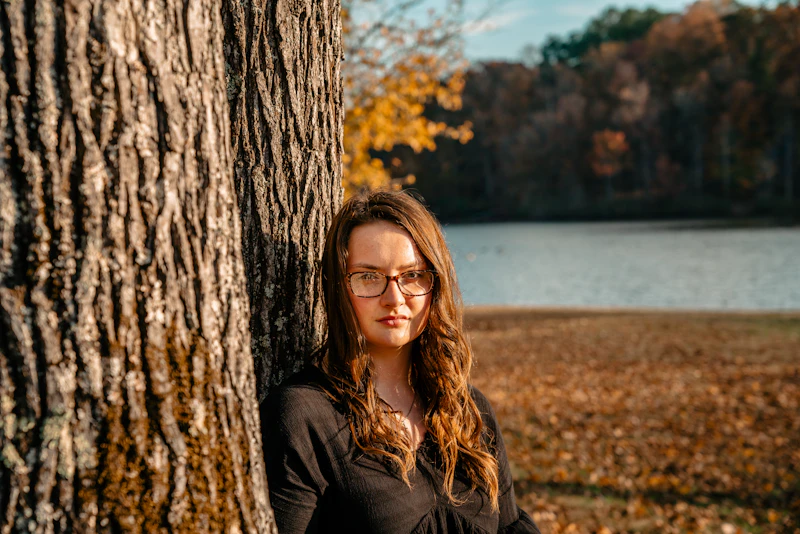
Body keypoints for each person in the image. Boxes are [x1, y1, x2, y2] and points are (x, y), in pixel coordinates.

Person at [261, 190, 540, 533]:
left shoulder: (468, 410)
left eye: (411, 275)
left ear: (433, 284)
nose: (394, 298)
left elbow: (511, 526)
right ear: (338, 288)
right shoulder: (303, 416)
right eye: (368, 276)